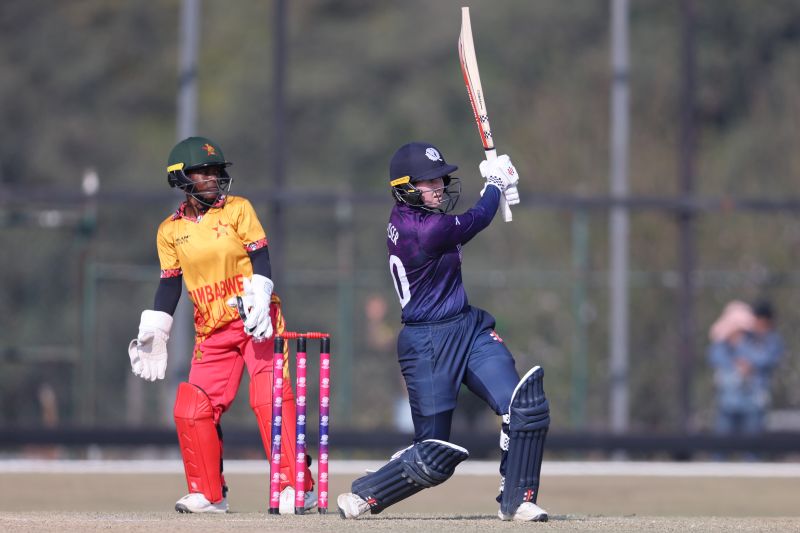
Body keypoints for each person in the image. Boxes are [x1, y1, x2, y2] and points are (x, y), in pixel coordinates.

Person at [337, 142, 550, 521]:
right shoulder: (423, 229)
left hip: (467, 327)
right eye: (429, 181)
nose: (439, 187)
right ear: (405, 187)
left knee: (524, 407)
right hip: (427, 344)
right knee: (433, 458)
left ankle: (517, 498)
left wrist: (495, 186)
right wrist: (495, 185)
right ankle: (367, 492)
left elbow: (471, 218)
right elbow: (477, 219)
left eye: (440, 179)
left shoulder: (420, 217)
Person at [126, 136, 315, 514]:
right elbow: (170, 284)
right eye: (203, 172)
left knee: (269, 399)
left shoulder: (238, 210)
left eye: (216, 171)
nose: (213, 178)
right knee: (193, 407)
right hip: (211, 330)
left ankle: (298, 486)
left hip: (256, 320)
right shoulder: (169, 231)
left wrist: (260, 294)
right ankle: (210, 494)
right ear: (181, 178)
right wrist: (158, 328)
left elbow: (261, 260)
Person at [708, 300, 784, 439]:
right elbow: (715, 356)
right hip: (728, 402)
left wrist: (745, 358)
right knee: (721, 444)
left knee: (752, 444)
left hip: (753, 403)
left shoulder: (769, 340)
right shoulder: (725, 343)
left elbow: (767, 358)